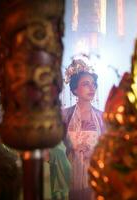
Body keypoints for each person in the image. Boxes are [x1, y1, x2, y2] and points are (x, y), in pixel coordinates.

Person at [49, 59, 105, 200]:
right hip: (69, 178)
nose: (92, 88)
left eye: (93, 84)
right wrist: (71, 147)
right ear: (75, 89)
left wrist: (94, 152)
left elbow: (109, 149)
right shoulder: (64, 115)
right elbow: (53, 147)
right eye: (86, 84)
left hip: (94, 177)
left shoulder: (102, 117)